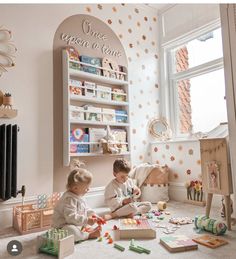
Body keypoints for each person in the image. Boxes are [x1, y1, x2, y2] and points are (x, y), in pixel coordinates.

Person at [52, 162, 102, 242]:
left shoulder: (79, 195)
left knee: (81, 226)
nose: (88, 190)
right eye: (86, 188)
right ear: (75, 188)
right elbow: (71, 218)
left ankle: (84, 230)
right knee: (72, 232)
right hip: (62, 227)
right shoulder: (69, 199)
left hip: (74, 223)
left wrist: (93, 215)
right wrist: (87, 220)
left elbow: (86, 209)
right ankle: (88, 235)